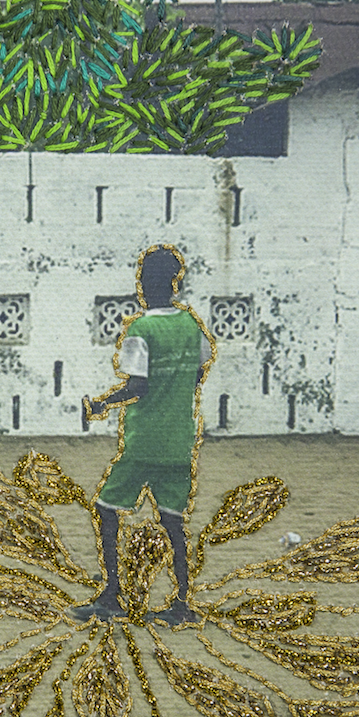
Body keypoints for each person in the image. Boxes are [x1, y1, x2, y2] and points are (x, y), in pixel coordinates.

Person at [71, 244, 215, 626]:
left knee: (106, 508)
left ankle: (112, 594)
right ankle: (182, 601)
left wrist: (102, 404)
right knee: (173, 521)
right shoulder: (190, 324)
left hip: (144, 440)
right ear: (174, 283)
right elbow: (200, 368)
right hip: (181, 438)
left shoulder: (141, 328)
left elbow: (138, 385)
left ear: (142, 284)